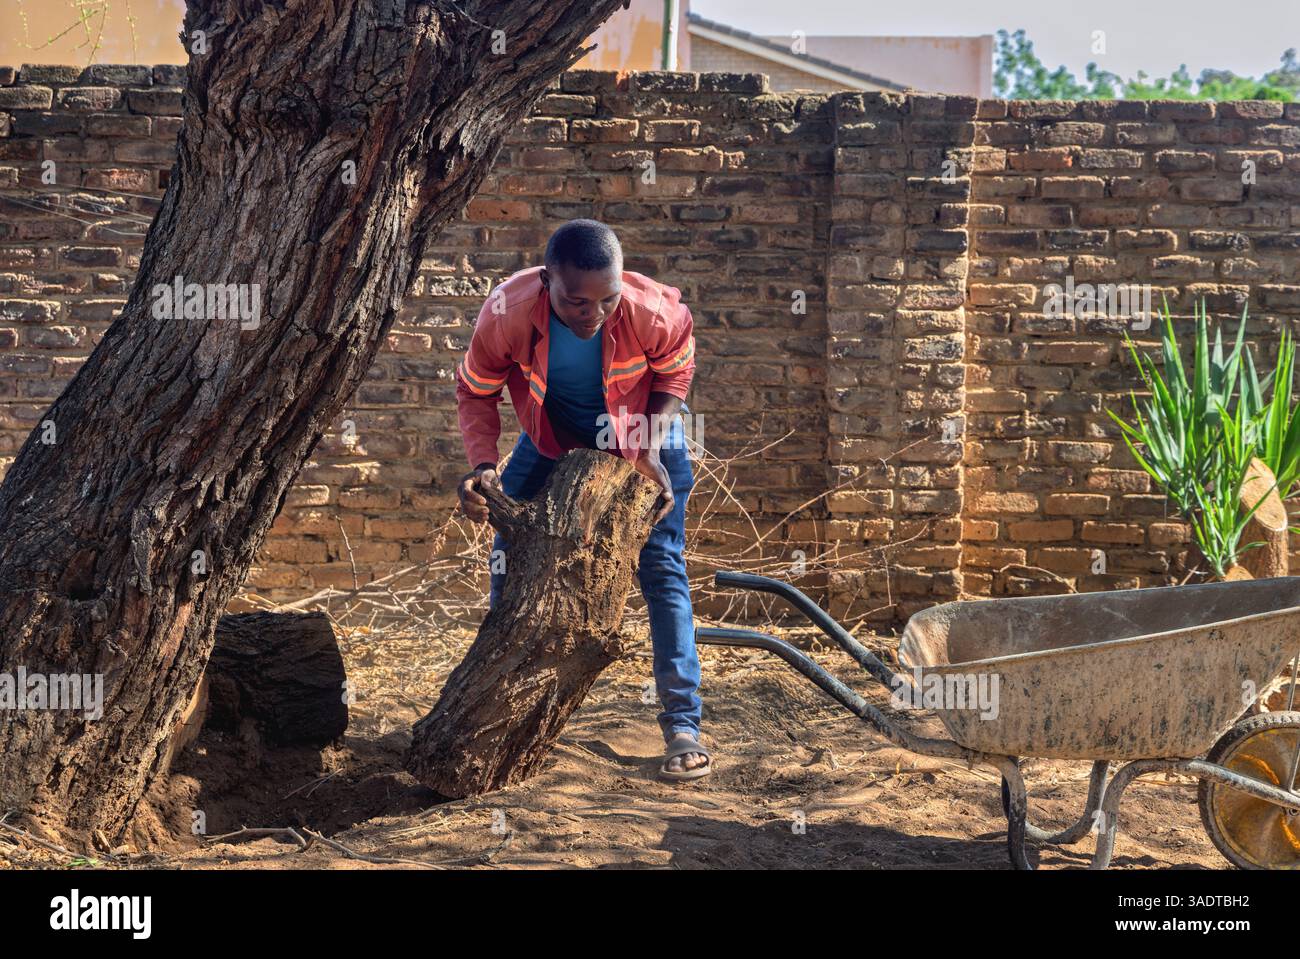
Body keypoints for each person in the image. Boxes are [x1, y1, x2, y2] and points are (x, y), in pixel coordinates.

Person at [454, 219, 710, 781]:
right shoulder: (507, 313)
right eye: (575, 302)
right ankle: (501, 711)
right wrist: (482, 467)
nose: (593, 314)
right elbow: (476, 390)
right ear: (546, 281)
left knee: (661, 567)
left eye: (607, 300)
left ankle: (683, 725)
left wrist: (646, 446)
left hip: (642, 434)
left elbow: (676, 370)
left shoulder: (654, 310)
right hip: (551, 438)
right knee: (512, 551)